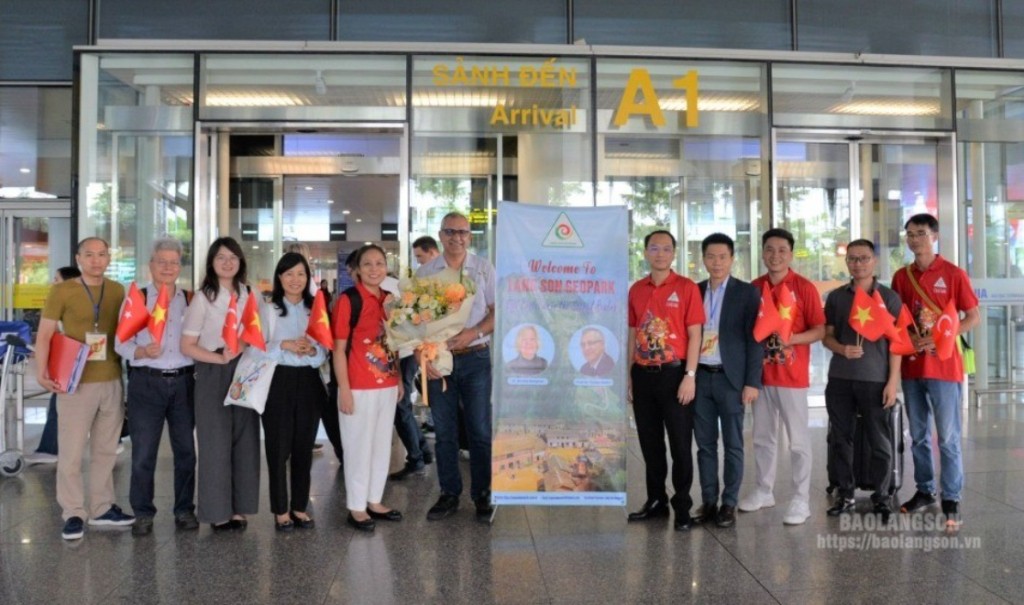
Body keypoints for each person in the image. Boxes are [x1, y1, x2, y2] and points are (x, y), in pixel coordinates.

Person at [35, 237, 134, 540]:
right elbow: (45, 335)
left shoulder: (118, 290)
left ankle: (102, 507)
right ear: (78, 258)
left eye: (101, 254)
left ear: (108, 258)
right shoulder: (62, 290)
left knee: (106, 450)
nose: (95, 260)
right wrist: (42, 372)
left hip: (112, 379)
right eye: (89, 255)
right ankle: (73, 512)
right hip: (75, 382)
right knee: (72, 451)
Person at [891, 213, 980, 527]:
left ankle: (951, 496)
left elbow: (972, 316)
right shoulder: (902, 277)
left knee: (948, 437)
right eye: (910, 234)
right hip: (913, 368)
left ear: (934, 236)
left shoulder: (954, 274)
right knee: (917, 435)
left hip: (945, 367)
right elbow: (897, 319)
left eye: (921, 233)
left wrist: (944, 335)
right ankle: (925, 490)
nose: (915, 239)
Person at [740, 228, 825, 526]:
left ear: (791, 254)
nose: (775, 255)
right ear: (762, 253)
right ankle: (764, 490)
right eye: (769, 250)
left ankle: (801, 498)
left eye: (781, 250)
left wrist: (794, 339)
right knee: (762, 437)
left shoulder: (803, 287)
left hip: (792, 376)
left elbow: (820, 329)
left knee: (798, 441)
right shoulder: (753, 288)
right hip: (759, 376)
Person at [113, 238, 198, 536]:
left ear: (179, 267)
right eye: (161, 261)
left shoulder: (191, 299)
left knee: (186, 451)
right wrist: (139, 352)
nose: (167, 267)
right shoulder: (137, 299)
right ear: (151, 265)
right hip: (146, 383)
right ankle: (143, 512)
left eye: (173, 262)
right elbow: (119, 343)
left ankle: (185, 510)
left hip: (185, 382)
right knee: (143, 453)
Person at [417, 213, 496, 521]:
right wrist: (424, 357)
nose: (457, 237)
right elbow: (414, 322)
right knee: (446, 432)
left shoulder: (483, 268)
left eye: (463, 232)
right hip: (439, 362)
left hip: (476, 357)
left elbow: (495, 311)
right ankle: (449, 493)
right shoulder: (426, 272)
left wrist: (473, 333)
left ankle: (483, 494)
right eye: (450, 231)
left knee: (479, 430)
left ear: (469, 236)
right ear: (440, 234)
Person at [180, 237, 260, 531]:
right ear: (211, 263)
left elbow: (259, 331)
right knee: (214, 443)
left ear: (241, 262)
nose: (228, 263)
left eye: (233, 257)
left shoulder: (250, 293)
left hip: (246, 370)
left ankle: (240, 508)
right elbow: (187, 345)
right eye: (221, 257)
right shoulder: (203, 298)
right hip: (214, 369)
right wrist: (220, 359)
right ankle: (217, 512)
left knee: (245, 440)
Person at [626, 230, 704, 531]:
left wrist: (690, 376)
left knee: (681, 444)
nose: (660, 253)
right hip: (643, 375)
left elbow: (696, 333)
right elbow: (633, 333)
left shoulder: (686, 288)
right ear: (645, 252)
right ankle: (656, 500)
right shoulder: (636, 289)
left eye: (666, 249)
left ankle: (682, 504)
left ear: (674, 253)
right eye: (654, 248)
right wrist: (629, 375)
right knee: (650, 444)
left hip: (675, 374)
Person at [821, 239, 902, 521]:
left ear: (874, 261)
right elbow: (827, 336)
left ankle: (882, 496)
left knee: (879, 440)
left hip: (875, 380)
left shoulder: (889, 298)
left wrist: (893, 382)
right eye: (853, 259)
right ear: (847, 263)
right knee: (841, 440)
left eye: (864, 258)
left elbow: (897, 344)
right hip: (840, 378)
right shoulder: (836, 297)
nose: (858, 263)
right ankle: (845, 493)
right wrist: (842, 348)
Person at [691, 233, 762, 529]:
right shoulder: (693, 291)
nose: (716, 262)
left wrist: (751, 382)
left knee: (733, 444)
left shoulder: (747, 293)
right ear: (703, 259)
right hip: (701, 378)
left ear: (732, 259)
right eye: (711, 256)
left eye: (722, 257)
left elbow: (755, 340)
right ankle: (709, 501)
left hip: (731, 379)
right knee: (705, 445)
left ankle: (729, 503)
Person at [333, 244, 403, 532]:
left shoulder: (391, 300)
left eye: (379, 263)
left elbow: (396, 341)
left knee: (380, 446)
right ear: (358, 270)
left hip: (387, 384)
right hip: (358, 386)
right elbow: (338, 350)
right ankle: (357, 507)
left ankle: (375, 500)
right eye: (368, 264)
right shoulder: (348, 300)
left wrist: (397, 380)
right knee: (358, 448)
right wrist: (344, 390)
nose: (374, 269)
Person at [260, 252, 329, 531]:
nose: (295, 279)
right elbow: (255, 347)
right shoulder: (268, 309)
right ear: (280, 278)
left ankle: (299, 507)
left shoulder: (317, 309)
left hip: (309, 381)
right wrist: (284, 346)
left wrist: (312, 351)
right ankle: (280, 511)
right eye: (289, 274)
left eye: (301, 274)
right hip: (277, 381)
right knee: (278, 449)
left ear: (308, 278)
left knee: (303, 447)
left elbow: (324, 349)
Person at [388, 238, 437, 481]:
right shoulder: (414, 282)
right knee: (402, 404)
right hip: (408, 350)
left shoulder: (424, 282)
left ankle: (416, 458)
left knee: (401, 405)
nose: (418, 262)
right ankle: (422, 452)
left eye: (420, 256)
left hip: (407, 351)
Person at [25, 265, 81, 466]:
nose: (52, 283)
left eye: (56, 279)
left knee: (59, 405)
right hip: (72, 363)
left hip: (73, 364)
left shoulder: (68, 304)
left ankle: (49, 449)